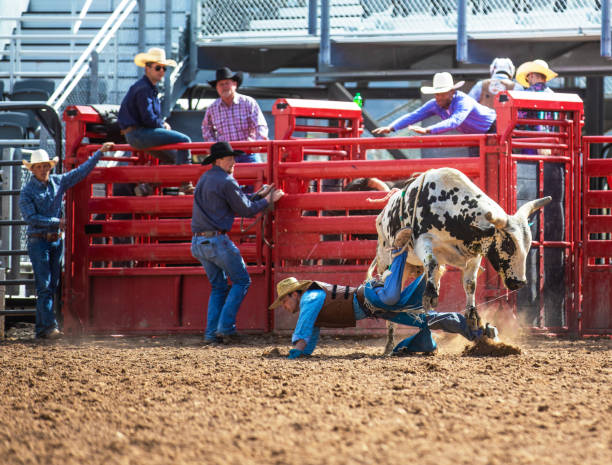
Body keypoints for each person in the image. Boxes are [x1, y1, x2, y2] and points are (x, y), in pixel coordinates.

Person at [270, 248, 498, 359]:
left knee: (392, 298)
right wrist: (300, 353)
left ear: (295, 294)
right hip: (375, 307)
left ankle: (401, 252)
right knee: (424, 319)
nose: (284, 307)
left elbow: (302, 335)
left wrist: (292, 354)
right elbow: (307, 343)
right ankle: (480, 334)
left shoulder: (310, 298)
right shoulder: (313, 303)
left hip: (371, 297)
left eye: (284, 301)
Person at [19, 143, 115, 339]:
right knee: (46, 285)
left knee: (50, 284)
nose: (43, 169)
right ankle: (48, 327)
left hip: (52, 241)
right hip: (40, 241)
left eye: (46, 165)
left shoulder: (56, 182)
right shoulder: (28, 191)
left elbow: (80, 172)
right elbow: (31, 218)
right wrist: (58, 222)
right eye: (39, 166)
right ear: (33, 169)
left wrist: (98, 154)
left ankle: (43, 329)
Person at [191, 141, 284, 344]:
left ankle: (211, 334)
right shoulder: (226, 181)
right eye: (230, 158)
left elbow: (238, 202)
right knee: (241, 280)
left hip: (199, 242)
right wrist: (268, 201)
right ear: (219, 160)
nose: (234, 162)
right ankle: (225, 327)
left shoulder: (205, 179)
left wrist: (258, 195)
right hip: (217, 241)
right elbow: (245, 210)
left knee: (218, 287)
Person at [118, 47, 193, 194]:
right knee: (185, 140)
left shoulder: (145, 88)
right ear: (147, 68)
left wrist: (160, 124)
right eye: (158, 67)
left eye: (164, 68)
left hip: (137, 135)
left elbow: (148, 117)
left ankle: (147, 185)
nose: (162, 71)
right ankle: (186, 183)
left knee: (173, 157)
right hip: (140, 133)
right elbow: (148, 118)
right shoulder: (144, 89)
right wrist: (163, 125)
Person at [372, 72, 497, 137]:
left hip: (494, 127)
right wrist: (392, 127)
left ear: (452, 92)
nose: (439, 98)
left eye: (443, 94)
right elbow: (414, 115)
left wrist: (428, 130)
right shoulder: (435, 104)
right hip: (477, 135)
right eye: (437, 94)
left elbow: (455, 121)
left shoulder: (463, 102)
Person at [201, 67, 268, 163]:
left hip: (247, 153)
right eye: (221, 84)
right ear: (217, 88)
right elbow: (206, 128)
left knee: (256, 175)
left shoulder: (248, 102)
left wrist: (258, 142)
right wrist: (213, 144)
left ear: (234, 85)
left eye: (227, 83)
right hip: (225, 156)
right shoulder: (212, 108)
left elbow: (260, 124)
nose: (224, 87)